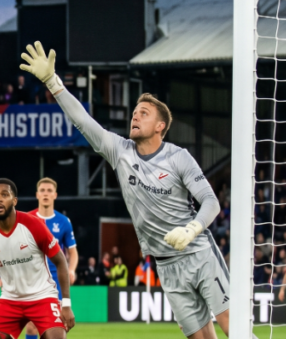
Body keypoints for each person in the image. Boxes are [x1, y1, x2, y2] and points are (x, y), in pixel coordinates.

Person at [19, 41, 229, 339]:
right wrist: (53, 82)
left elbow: (210, 200)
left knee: (233, 327)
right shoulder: (121, 151)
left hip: (198, 252)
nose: (135, 116)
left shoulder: (177, 156)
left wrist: (193, 229)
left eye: (144, 113)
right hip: (165, 264)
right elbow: (83, 121)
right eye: (135, 112)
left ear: (160, 126)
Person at [0, 179, 74, 339]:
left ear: (14, 200)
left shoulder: (34, 225)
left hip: (42, 297)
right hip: (10, 300)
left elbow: (61, 261)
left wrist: (66, 304)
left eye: (5, 194)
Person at [24, 177, 78, 339]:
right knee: (31, 325)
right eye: (42, 190)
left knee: (57, 326)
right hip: (32, 278)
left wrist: (71, 270)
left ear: (55, 195)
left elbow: (73, 252)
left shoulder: (64, 222)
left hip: (56, 280)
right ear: (37, 195)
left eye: (49, 191)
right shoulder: (27, 219)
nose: (46, 194)